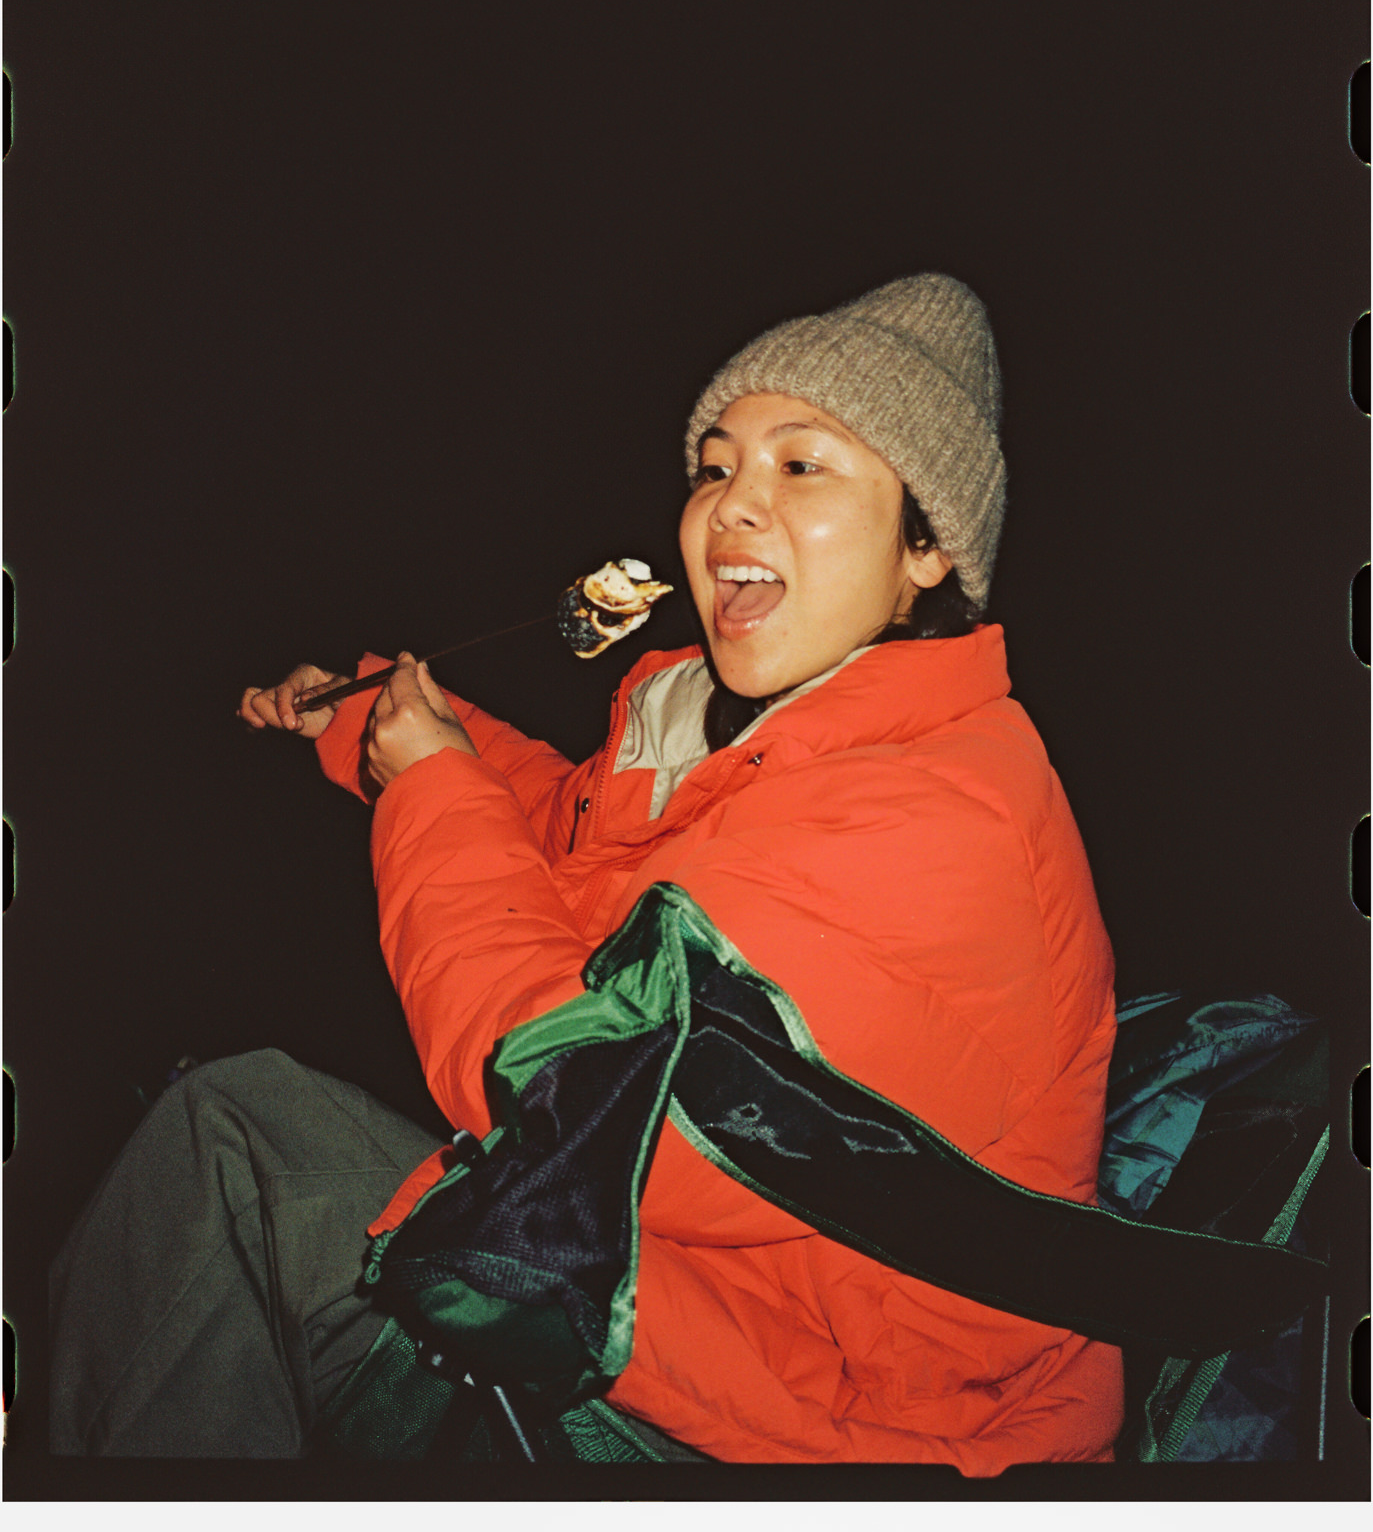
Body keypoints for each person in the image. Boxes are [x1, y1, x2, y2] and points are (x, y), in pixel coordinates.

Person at [50, 274, 1124, 1467]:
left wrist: (429, 786)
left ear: (926, 547)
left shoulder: (929, 811)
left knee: (231, 1143)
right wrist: (367, 721)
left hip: (840, 1415)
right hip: (704, 1299)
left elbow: (569, 1112)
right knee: (231, 1148)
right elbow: (572, 829)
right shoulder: (775, 737)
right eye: (714, 465)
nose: (731, 503)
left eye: (800, 465)